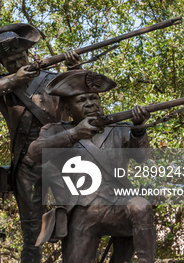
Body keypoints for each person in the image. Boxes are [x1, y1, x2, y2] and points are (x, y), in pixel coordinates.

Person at [0, 23, 78, 263]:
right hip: (27, 166)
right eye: (10, 62)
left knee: (76, 222)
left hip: (64, 161)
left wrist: (75, 68)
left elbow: (83, 97)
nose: (17, 64)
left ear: (28, 54)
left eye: (20, 57)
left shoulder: (54, 80)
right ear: (2, 64)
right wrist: (13, 80)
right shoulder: (3, 85)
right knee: (31, 232)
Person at [26, 70, 154, 263]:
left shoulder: (120, 129)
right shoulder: (56, 131)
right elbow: (35, 153)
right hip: (81, 213)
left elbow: (144, 157)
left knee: (141, 206)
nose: (90, 103)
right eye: (81, 100)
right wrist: (74, 134)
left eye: (93, 98)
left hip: (117, 207)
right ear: (68, 108)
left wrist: (138, 129)